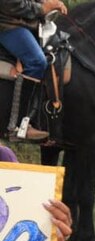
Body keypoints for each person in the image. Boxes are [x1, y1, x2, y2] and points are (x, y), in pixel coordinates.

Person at [0, 0, 67, 142]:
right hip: (6, 24)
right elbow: (10, 4)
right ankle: (19, 125)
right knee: (37, 61)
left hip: (26, 23)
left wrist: (50, 3)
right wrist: (42, 8)